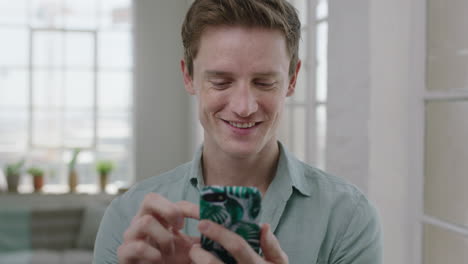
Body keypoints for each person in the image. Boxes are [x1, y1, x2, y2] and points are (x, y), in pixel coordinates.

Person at [93, 0, 382, 263]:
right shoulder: (128, 219)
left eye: (264, 82)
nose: (244, 107)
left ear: (292, 79)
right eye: (221, 82)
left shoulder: (348, 218)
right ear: (188, 76)